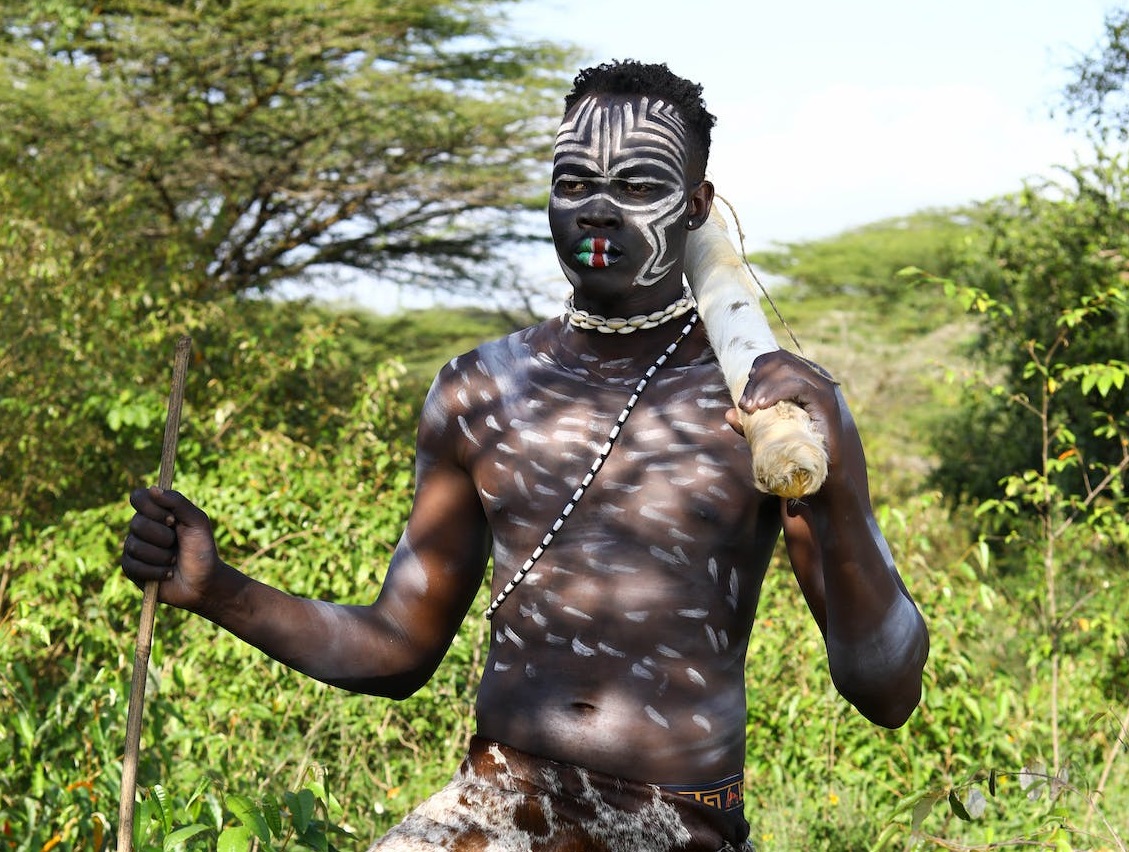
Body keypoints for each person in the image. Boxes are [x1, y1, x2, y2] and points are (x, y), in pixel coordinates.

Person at [122, 60, 929, 852]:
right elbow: (398, 647)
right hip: (494, 805)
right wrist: (217, 589)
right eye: (574, 183)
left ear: (696, 207)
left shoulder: (765, 409)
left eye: (639, 186)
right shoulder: (480, 391)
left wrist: (842, 492)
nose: (599, 212)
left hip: (678, 824)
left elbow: (886, 691)